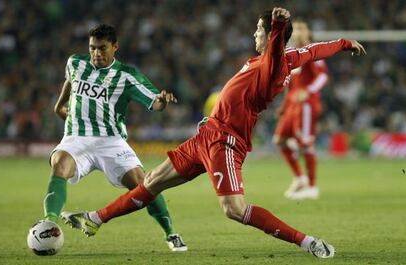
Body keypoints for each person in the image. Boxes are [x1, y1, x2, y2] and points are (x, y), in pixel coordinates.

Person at [62, 8, 366, 258]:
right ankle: (94, 219)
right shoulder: (277, 59)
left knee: (234, 209)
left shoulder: (274, 65)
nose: (254, 34)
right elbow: (312, 51)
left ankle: (307, 242)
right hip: (207, 136)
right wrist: (343, 42)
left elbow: (280, 44)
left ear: (270, 36)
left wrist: (278, 22)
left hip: (226, 142)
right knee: (153, 181)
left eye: (258, 30)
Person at [42, 24, 187, 251]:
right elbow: (69, 86)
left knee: (145, 183)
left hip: (111, 141)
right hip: (77, 137)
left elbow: (155, 101)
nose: (96, 53)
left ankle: (171, 233)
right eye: (92, 48)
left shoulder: (127, 76)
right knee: (59, 163)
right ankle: (48, 223)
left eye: (102, 48)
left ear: (115, 47)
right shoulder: (75, 63)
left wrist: (163, 100)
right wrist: (60, 107)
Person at [273, 18, 329, 200]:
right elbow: (290, 86)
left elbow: (322, 77)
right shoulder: (292, 55)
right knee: (280, 140)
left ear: (308, 33)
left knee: (305, 143)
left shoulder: (312, 52)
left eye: (301, 28)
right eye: (294, 28)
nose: (297, 32)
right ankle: (300, 178)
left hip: (306, 105)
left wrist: (308, 91)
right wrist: (283, 106)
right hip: (292, 106)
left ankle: (312, 187)